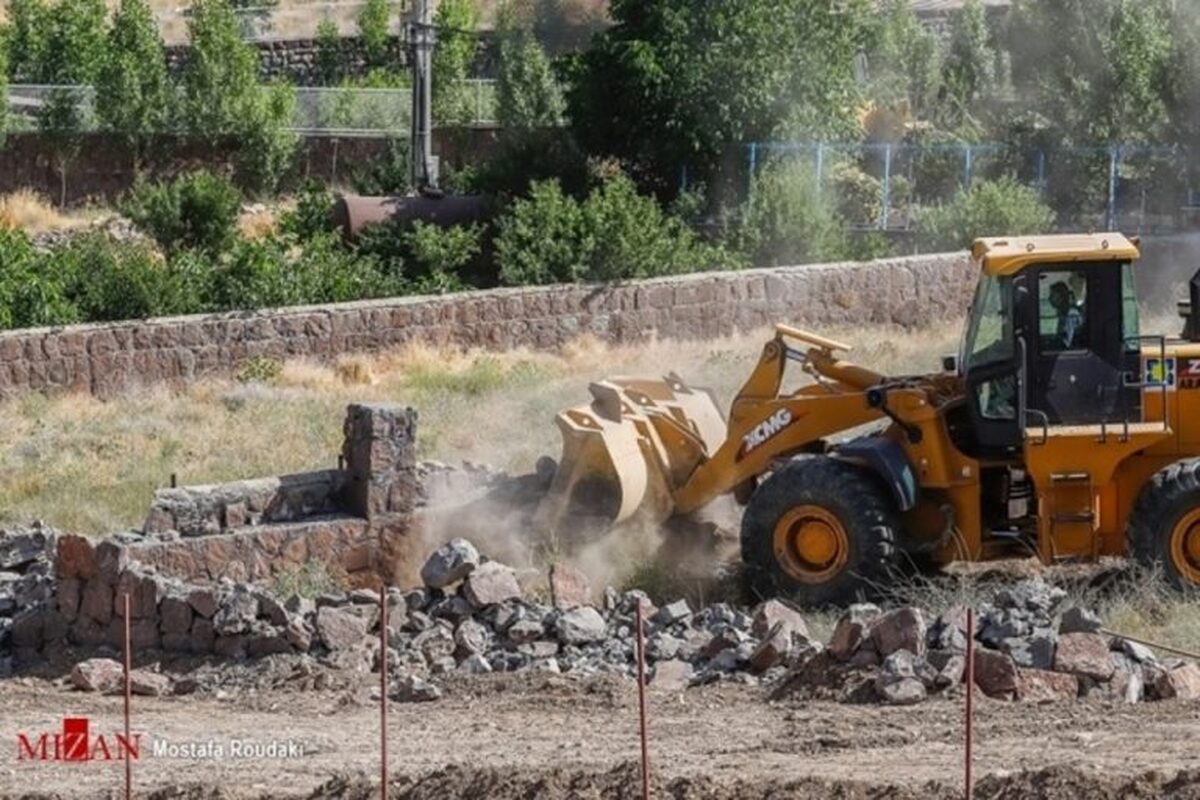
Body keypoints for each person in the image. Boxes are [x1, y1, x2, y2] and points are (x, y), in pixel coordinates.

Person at [1048, 281, 1084, 349]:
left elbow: (1067, 343)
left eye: (1052, 295)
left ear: (1061, 297)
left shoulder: (1071, 315)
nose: (1049, 299)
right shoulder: (1063, 314)